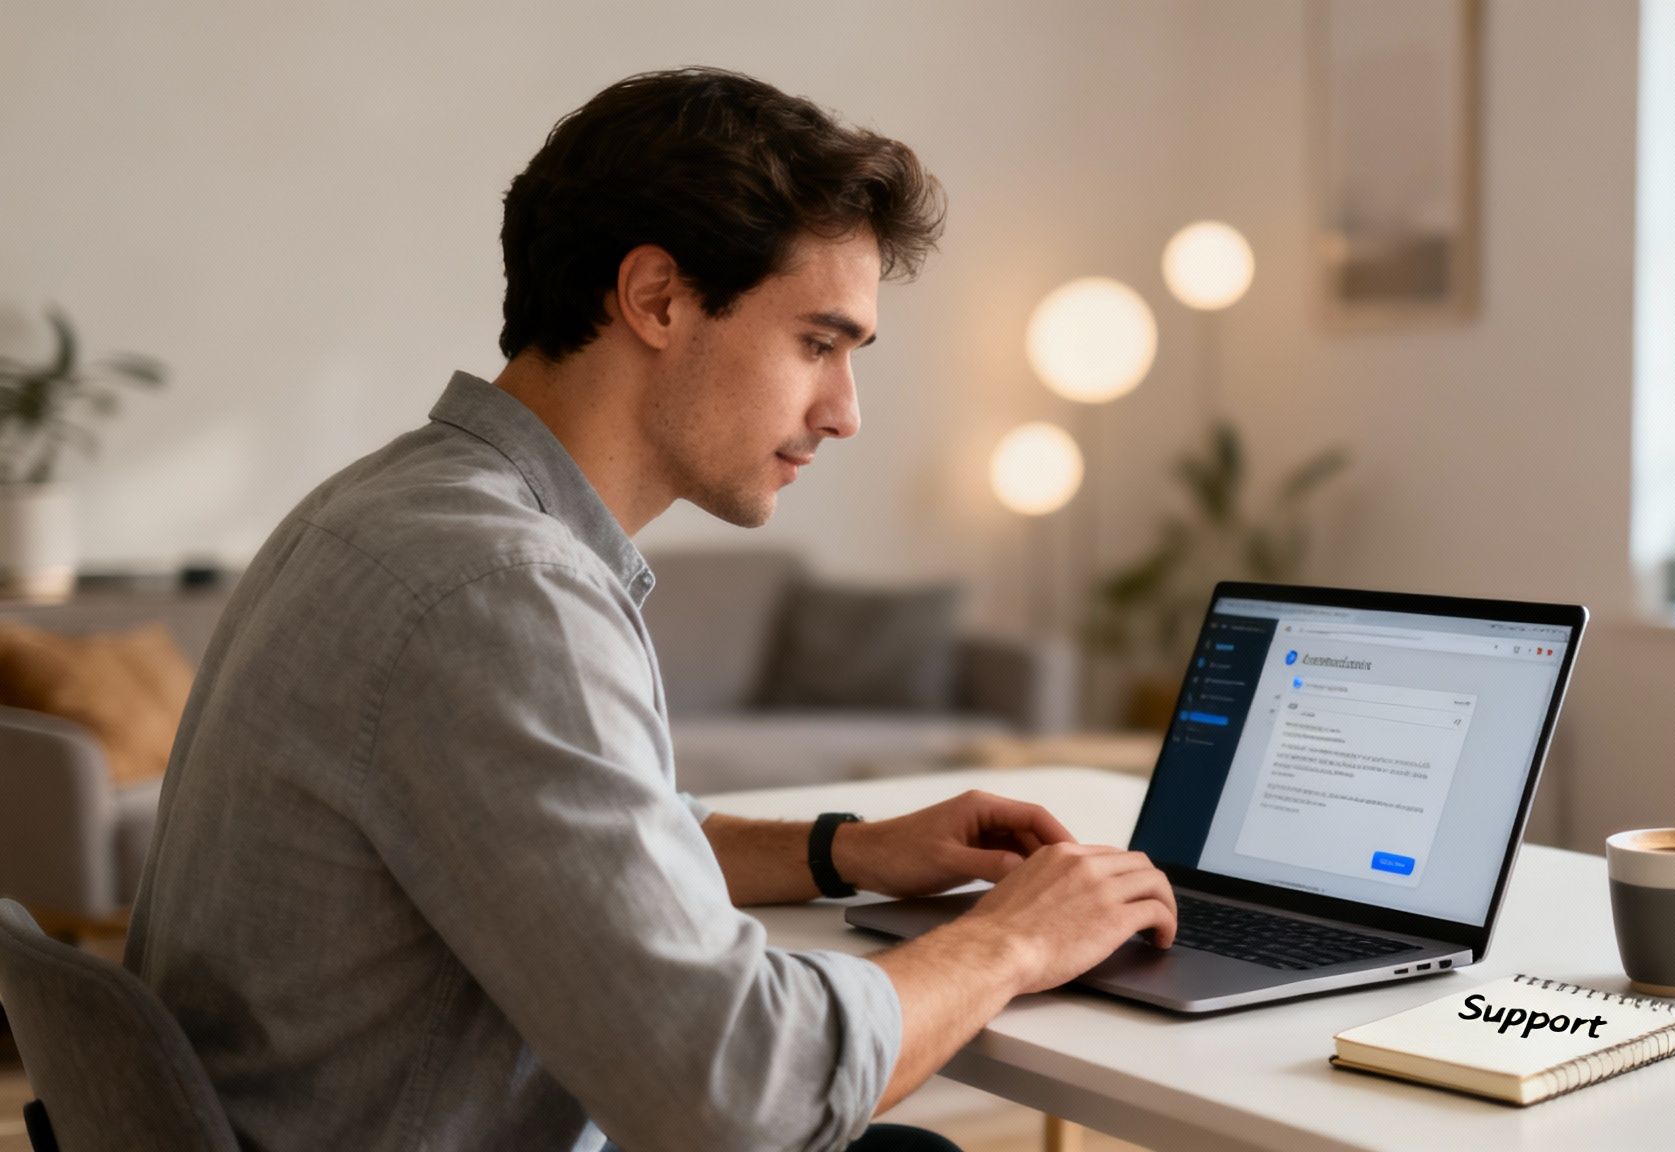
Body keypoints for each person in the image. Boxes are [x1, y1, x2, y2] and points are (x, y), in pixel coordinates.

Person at [125, 67, 1178, 1152]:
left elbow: (593, 849)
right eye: (817, 344)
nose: (844, 413)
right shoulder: (500, 588)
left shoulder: (386, 506)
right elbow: (737, 1099)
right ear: (657, 298)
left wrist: (849, 851)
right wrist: (1009, 942)